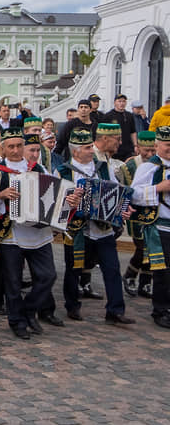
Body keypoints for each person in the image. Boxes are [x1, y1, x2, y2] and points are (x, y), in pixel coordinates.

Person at [0, 128, 58, 339]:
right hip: (11, 233)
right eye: (11, 147)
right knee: (13, 283)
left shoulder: (39, 168)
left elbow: (55, 191)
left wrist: (68, 199)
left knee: (47, 276)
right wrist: (1, 195)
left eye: (19, 146)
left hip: (38, 232)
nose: (16, 150)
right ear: (3, 149)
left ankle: (28, 310)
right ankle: (17, 322)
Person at [56, 126, 134, 325]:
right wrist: (70, 201)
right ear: (76, 151)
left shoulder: (103, 168)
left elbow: (116, 192)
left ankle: (115, 311)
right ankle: (72, 306)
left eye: (91, 147)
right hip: (77, 230)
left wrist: (122, 209)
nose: (92, 151)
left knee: (112, 268)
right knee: (74, 269)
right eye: (88, 148)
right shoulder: (63, 171)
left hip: (102, 228)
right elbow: (55, 203)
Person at [129, 126, 170, 329]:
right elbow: (134, 194)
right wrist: (158, 188)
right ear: (157, 145)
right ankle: (160, 310)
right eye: (167, 145)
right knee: (163, 270)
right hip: (160, 225)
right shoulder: (149, 167)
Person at [123, 131, 158, 298]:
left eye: (153, 150)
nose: (150, 154)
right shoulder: (129, 166)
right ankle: (131, 275)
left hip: (153, 213)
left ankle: (144, 283)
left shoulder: (159, 164)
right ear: (138, 148)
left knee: (150, 248)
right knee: (142, 247)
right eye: (146, 150)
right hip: (135, 213)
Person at [102, 94, 138, 161]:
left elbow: (133, 132)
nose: (122, 103)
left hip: (128, 149)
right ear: (115, 102)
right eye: (119, 101)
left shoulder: (129, 116)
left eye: (123, 101)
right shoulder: (108, 116)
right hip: (114, 149)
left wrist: (135, 145)